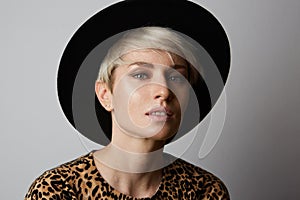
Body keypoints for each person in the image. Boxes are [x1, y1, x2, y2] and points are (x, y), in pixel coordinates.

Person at [25, 27, 230, 199]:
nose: (164, 91)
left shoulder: (204, 191)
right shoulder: (58, 190)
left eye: (177, 78)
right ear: (106, 94)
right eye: (140, 75)